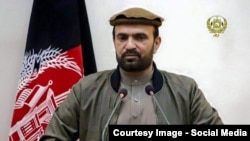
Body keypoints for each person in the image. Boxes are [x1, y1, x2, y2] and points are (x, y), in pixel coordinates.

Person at [40, 7, 223, 141]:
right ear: (114, 41)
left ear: (156, 43)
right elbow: (53, 138)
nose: (129, 45)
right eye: (122, 37)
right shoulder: (86, 89)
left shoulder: (186, 90)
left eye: (140, 37)